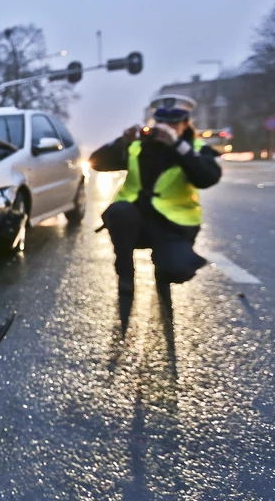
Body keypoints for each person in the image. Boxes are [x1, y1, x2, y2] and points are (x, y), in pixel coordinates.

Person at [89, 95, 222, 330]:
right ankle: (126, 276)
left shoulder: (194, 148)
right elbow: (96, 162)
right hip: (136, 223)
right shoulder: (139, 145)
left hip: (174, 227)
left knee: (178, 269)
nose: (166, 128)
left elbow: (207, 177)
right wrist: (123, 141)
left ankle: (163, 271)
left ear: (185, 124)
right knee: (119, 212)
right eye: (161, 122)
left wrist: (177, 145)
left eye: (173, 124)